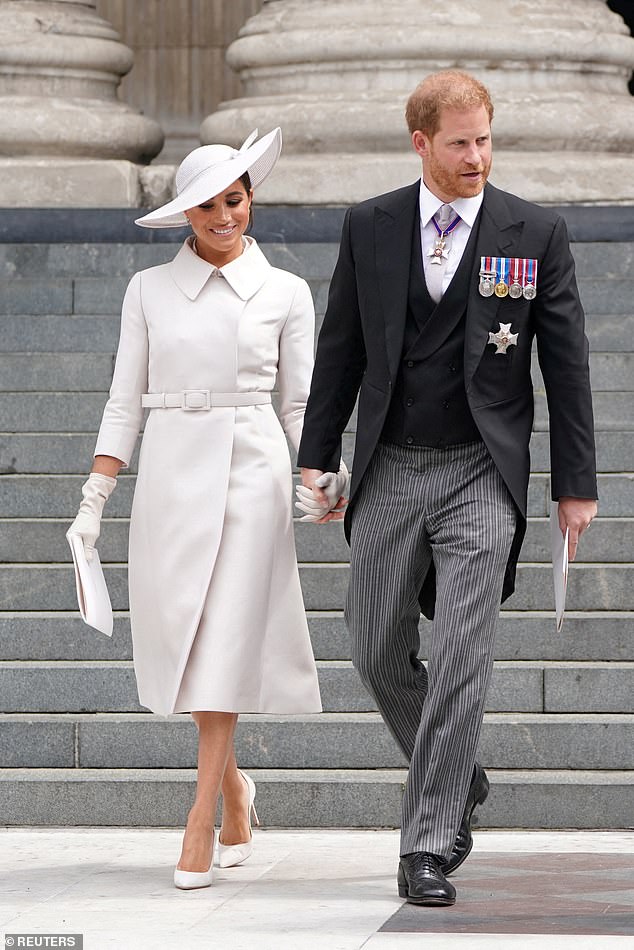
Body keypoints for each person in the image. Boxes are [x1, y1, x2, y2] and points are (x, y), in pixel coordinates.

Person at [296, 70, 597, 906]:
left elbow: (566, 367)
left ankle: (427, 843)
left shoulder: (534, 231)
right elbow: (342, 347)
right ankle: (458, 775)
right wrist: (316, 456)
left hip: (480, 471)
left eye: (486, 139)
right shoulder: (372, 226)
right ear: (421, 142)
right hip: (391, 464)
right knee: (373, 647)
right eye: (460, 142)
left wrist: (575, 484)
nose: (477, 156)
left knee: (464, 651)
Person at [66, 128, 322, 890]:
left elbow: (301, 402)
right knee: (191, 640)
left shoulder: (287, 292)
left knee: (225, 643)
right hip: (173, 472)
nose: (223, 216)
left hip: (254, 474)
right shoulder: (146, 290)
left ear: (252, 200)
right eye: (207, 205)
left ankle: (201, 816)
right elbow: (123, 401)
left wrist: (322, 479)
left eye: (235, 200)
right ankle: (238, 790)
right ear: (184, 213)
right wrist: (94, 502)